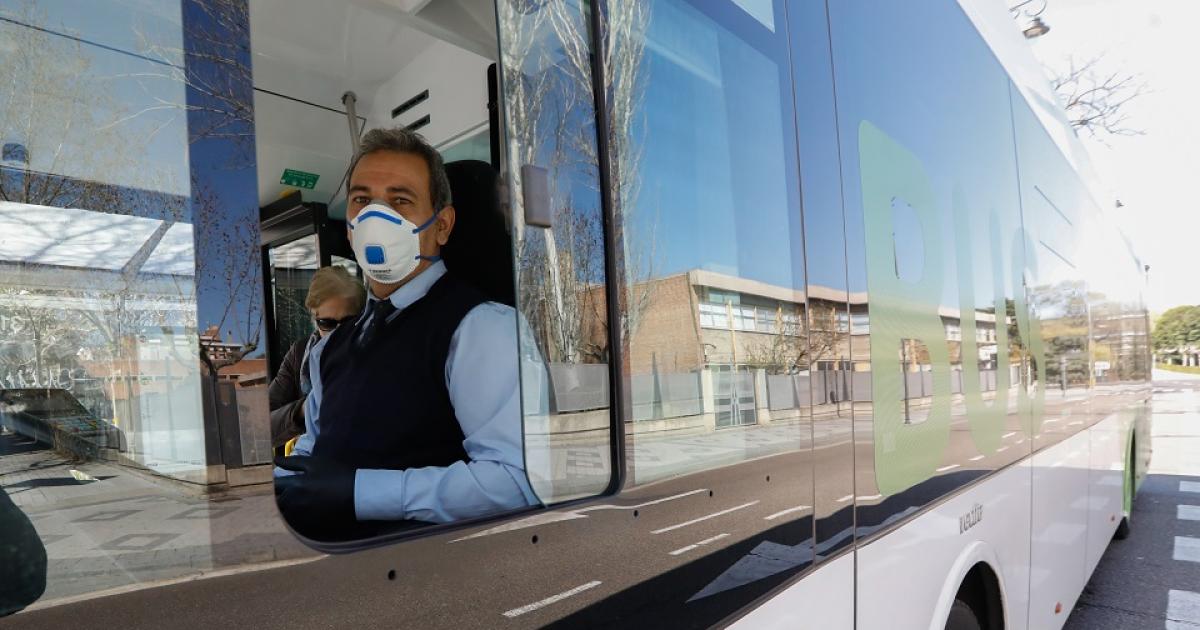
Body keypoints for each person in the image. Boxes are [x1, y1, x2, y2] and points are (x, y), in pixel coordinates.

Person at [274, 127, 537, 538]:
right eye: (362, 200)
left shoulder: (481, 328)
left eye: (400, 200)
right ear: (349, 226)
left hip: (413, 577)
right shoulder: (331, 348)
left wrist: (361, 491)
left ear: (443, 225)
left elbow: (516, 481)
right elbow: (313, 444)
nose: (377, 217)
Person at [269, 266, 365, 452]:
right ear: (314, 319)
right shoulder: (299, 354)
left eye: (347, 323)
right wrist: (305, 410)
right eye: (327, 323)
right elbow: (260, 427)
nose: (337, 333)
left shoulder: (375, 351)